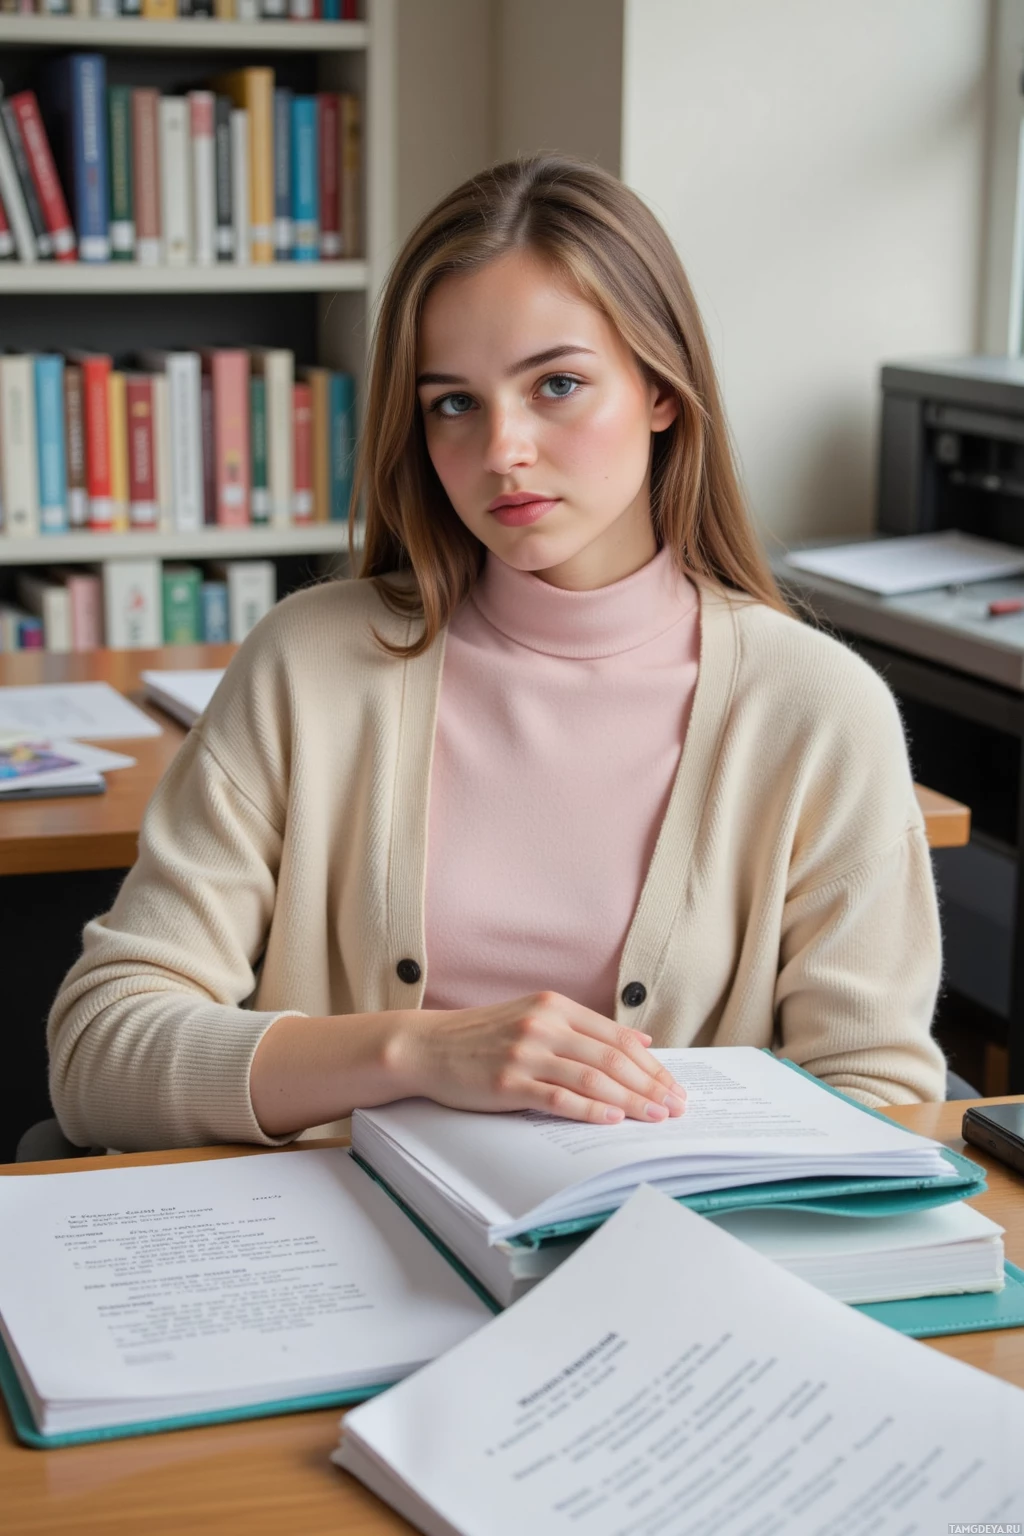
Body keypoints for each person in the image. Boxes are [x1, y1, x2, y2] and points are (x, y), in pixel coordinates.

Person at [47, 153, 946, 1153]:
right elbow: (100, 1054)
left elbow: (878, 1101)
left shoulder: (816, 709)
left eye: (555, 384)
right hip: (329, 1266)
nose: (502, 449)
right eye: (453, 403)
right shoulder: (309, 664)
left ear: (660, 388)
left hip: (662, 1271)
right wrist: (417, 1052)